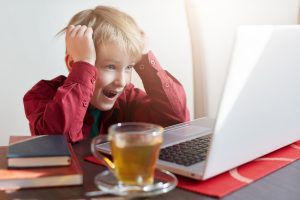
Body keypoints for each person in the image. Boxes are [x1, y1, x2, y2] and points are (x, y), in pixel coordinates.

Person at [23, 6, 190, 143]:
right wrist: (84, 66)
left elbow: (175, 122)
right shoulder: (41, 95)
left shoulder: (127, 99)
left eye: (129, 67)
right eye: (110, 66)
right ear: (75, 65)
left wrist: (144, 57)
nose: (122, 81)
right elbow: (58, 140)